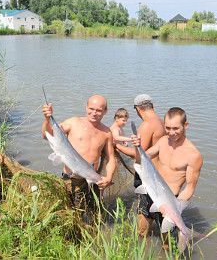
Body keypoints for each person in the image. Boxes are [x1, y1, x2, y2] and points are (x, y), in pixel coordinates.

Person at [131, 107, 203, 245]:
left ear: (185, 125)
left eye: (176, 128)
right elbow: (142, 158)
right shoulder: (163, 141)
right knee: (140, 232)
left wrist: (173, 208)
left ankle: (184, 238)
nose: (171, 132)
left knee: (168, 244)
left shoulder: (193, 155)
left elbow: (190, 187)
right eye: (168, 128)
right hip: (150, 192)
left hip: (170, 201)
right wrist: (137, 145)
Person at [41, 95, 116, 217]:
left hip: (93, 180)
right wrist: (47, 119)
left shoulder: (107, 133)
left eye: (98, 110)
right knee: (72, 216)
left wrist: (109, 177)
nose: (94, 113)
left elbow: (111, 159)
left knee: (95, 216)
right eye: (91, 108)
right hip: (71, 180)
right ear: (86, 107)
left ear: (105, 111)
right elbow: (46, 135)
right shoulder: (73, 122)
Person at [115, 94, 165, 236]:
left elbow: (139, 155)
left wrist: (117, 146)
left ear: (138, 109)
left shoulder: (147, 124)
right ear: (152, 105)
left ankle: (141, 239)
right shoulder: (161, 121)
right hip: (160, 173)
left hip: (148, 175)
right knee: (158, 207)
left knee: (144, 209)